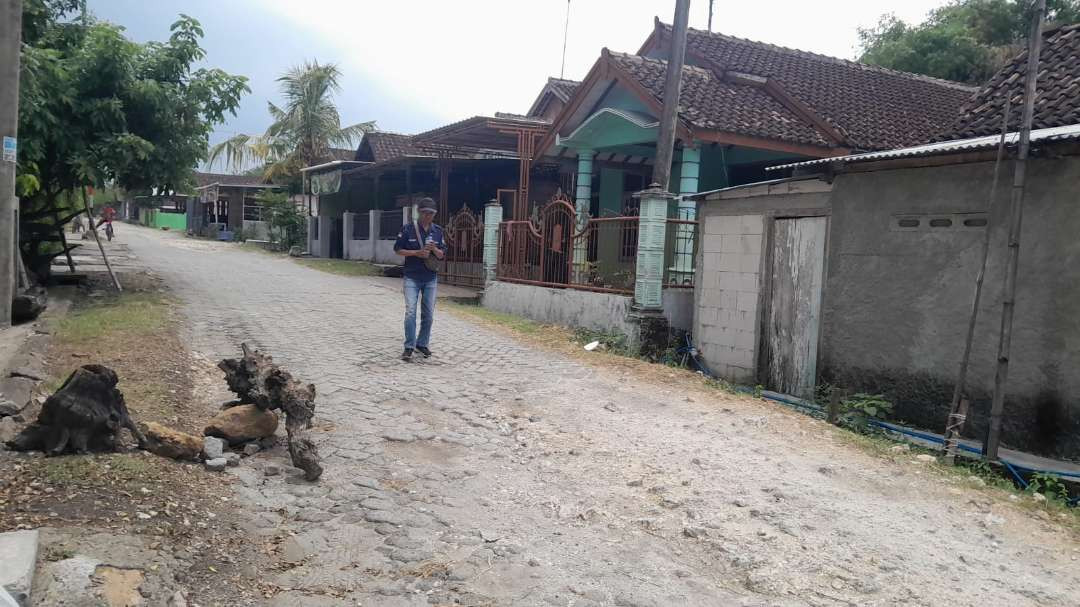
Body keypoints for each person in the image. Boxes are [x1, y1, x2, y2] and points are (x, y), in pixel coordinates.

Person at [393, 198, 446, 361]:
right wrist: (416, 253)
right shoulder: (408, 229)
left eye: (431, 214)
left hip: (430, 277)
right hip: (412, 276)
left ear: (434, 214)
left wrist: (434, 249)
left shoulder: (438, 231)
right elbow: (398, 250)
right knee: (410, 312)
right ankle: (409, 346)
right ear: (420, 213)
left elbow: (442, 254)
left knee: (428, 314)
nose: (428, 216)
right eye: (425, 213)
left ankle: (422, 344)